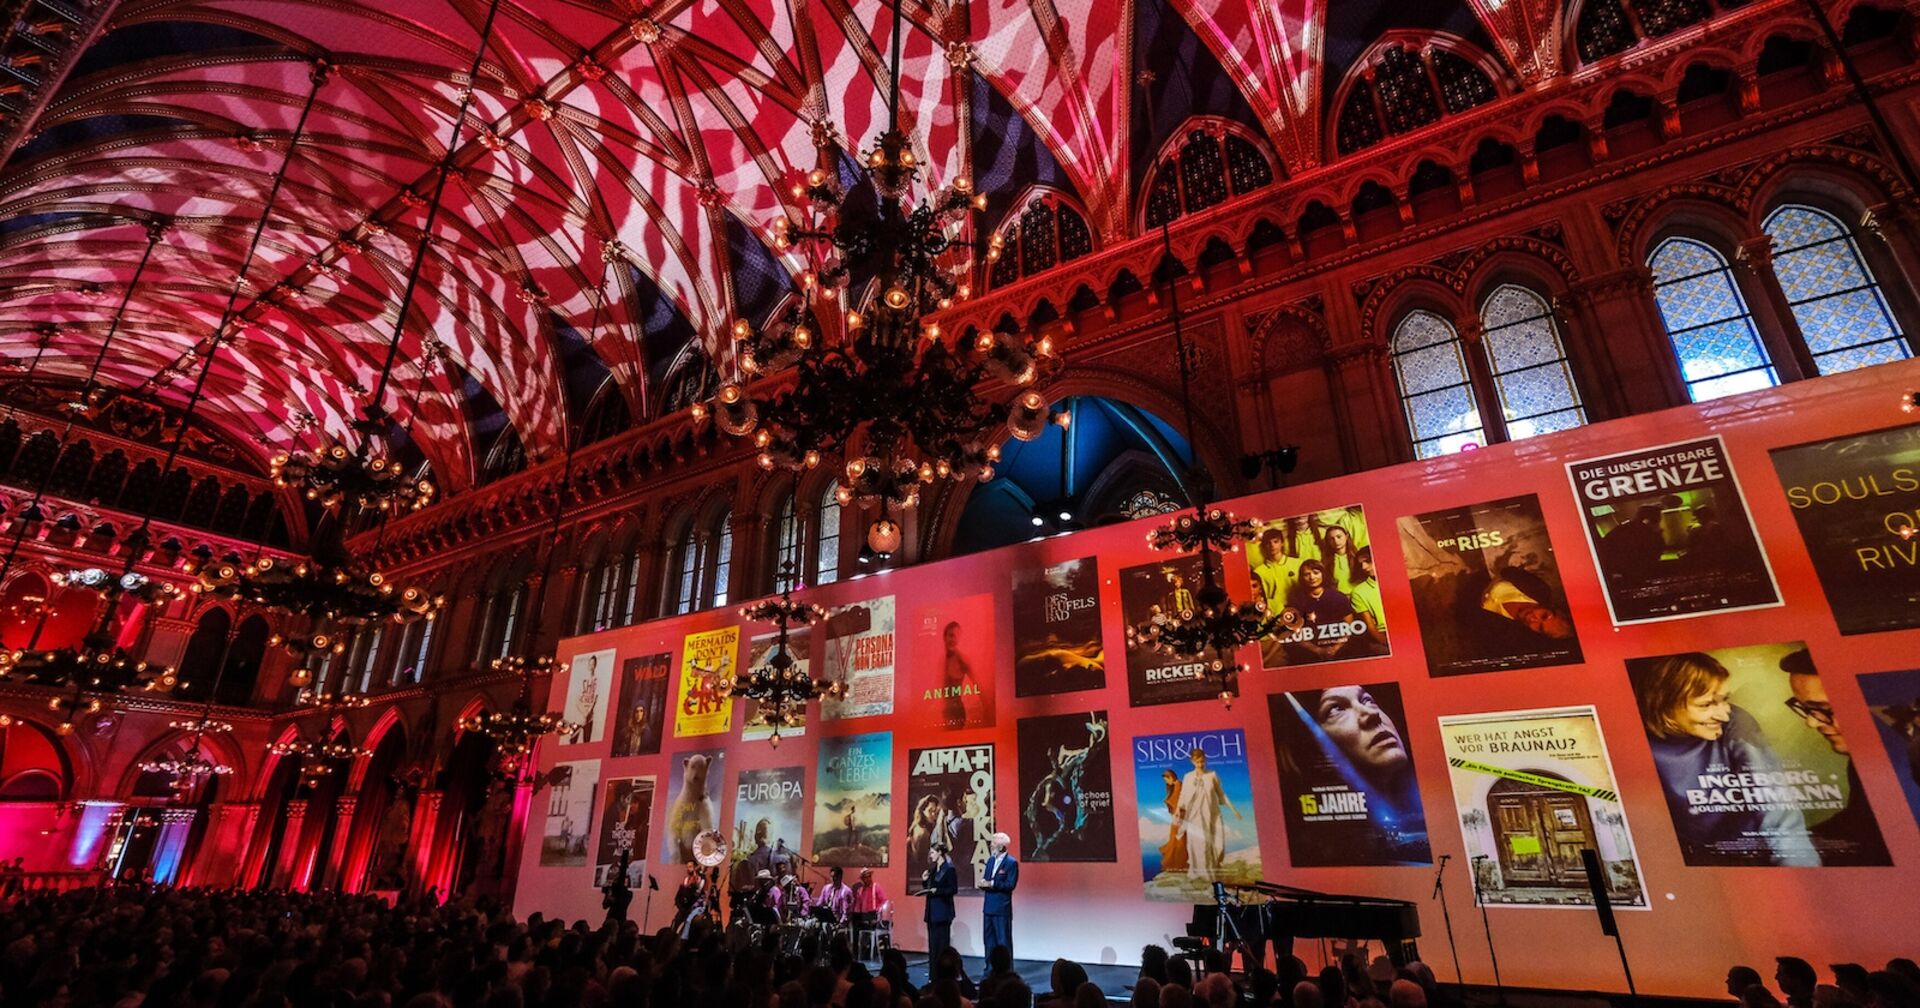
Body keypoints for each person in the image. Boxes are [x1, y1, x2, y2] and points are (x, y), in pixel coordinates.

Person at [1628, 651, 1817, 866]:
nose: (1724, 714)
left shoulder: (1737, 723)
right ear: (1663, 705)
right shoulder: (1633, 738)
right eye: (1706, 704)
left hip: (1752, 856)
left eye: (1725, 700)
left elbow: (1781, 818)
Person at [1783, 648, 1892, 865]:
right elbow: (1860, 824)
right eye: (1806, 709)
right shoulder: (1862, 761)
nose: (1811, 722)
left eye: (1823, 709)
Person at [1174, 744, 1241, 877]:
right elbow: (1183, 795)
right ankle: (1200, 873)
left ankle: (1209, 871)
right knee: (1198, 841)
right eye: (1197, 762)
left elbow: (1221, 793)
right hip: (1193, 814)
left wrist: (1233, 810)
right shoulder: (1188, 777)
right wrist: (1177, 809)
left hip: (1210, 814)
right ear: (1192, 762)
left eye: (1202, 761)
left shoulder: (1212, 775)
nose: (1200, 764)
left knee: (1214, 841)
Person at [980, 831, 1019, 959]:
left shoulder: (1011, 863)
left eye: (993, 843)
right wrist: (983, 883)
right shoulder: (990, 861)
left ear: (1001, 846)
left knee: (1003, 943)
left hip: (1001, 909)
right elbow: (987, 879)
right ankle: (989, 971)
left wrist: (992, 884)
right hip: (988, 907)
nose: (991, 845)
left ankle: (1006, 972)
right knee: (989, 941)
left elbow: (1010, 885)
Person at [922, 842, 958, 967]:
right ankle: (933, 976)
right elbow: (928, 888)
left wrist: (938, 891)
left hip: (943, 913)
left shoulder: (949, 869)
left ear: (940, 853)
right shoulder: (932, 870)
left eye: (932, 852)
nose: (930, 855)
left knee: (942, 946)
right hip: (932, 913)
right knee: (933, 946)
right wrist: (925, 880)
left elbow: (953, 889)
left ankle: (944, 974)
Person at [938, 620, 977, 729]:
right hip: (944, 713)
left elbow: (979, 687)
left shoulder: (962, 660)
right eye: (951, 635)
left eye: (957, 636)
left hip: (956, 714)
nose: (954, 640)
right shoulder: (941, 660)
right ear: (944, 637)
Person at [1157, 768, 1188, 872]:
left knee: (1178, 839)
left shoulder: (1178, 784)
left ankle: (1179, 864)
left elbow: (1179, 802)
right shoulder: (1176, 786)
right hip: (1178, 816)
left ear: (1171, 777)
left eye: (1166, 780)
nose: (1167, 782)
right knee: (1176, 838)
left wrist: (1178, 816)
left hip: (1180, 816)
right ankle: (1177, 863)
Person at [601, 848, 633, 928]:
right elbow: (605, 905)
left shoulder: (628, 894)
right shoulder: (612, 890)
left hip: (621, 920)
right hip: (610, 920)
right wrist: (609, 895)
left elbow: (622, 903)